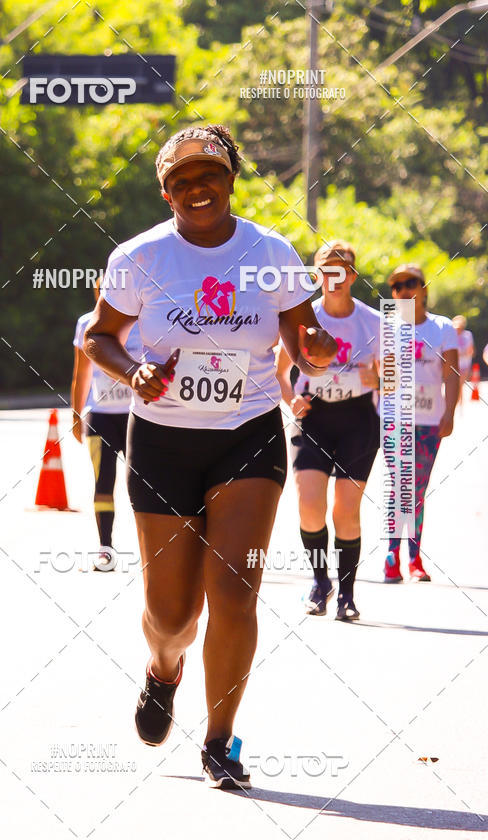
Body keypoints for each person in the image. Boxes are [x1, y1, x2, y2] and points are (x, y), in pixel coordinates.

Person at [84, 124, 337, 789]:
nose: (196, 189)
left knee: (235, 591)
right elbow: (100, 339)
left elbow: (301, 329)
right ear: (165, 191)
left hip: (247, 434)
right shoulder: (138, 258)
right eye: (180, 181)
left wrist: (314, 344)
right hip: (163, 441)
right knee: (172, 616)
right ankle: (164, 669)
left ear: (231, 179)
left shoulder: (270, 251)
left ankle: (220, 740)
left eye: (208, 175)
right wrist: (134, 369)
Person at [277, 240, 381, 622]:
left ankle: (347, 596)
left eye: (342, 270)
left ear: (352, 276)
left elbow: (396, 376)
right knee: (309, 507)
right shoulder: (303, 317)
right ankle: (321, 582)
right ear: (316, 274)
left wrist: (381, 378)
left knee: (346, 512)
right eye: (326, 269)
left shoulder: (374, 321)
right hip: (314, 417)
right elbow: (279, 375)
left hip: (357, 420)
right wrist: (291, 400)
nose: (334, 277)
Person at [383, 264, 459, 583]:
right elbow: (380, 376)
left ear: (424, 289)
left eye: (410, 283)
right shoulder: (387, 326)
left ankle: (414, 560)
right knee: (399, 484)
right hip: (393, 420)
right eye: (397, 286)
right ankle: (392, 558)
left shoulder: (442, 328)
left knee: (415, 489)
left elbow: (452, 375)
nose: (403, 291)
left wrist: (450, 413)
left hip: (429, 421)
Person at [71, 293, 142, 570]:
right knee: (103, 482)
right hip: (100, 417)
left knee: (146, 485)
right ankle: (105, 549)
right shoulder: (87, 323)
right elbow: (82, 372)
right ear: (96, 292)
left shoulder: (144, 321)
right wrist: (77, 415)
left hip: (138, 417)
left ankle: (154, 548)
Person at [452, 315, 474, 406]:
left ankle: (459, 404)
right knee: (457, 385)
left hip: (465, 365)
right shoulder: (451, 335)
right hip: (454, 365)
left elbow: (470, 350)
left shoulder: (467, 335)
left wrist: (461, 353)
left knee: (460, 385)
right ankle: (458, 403)